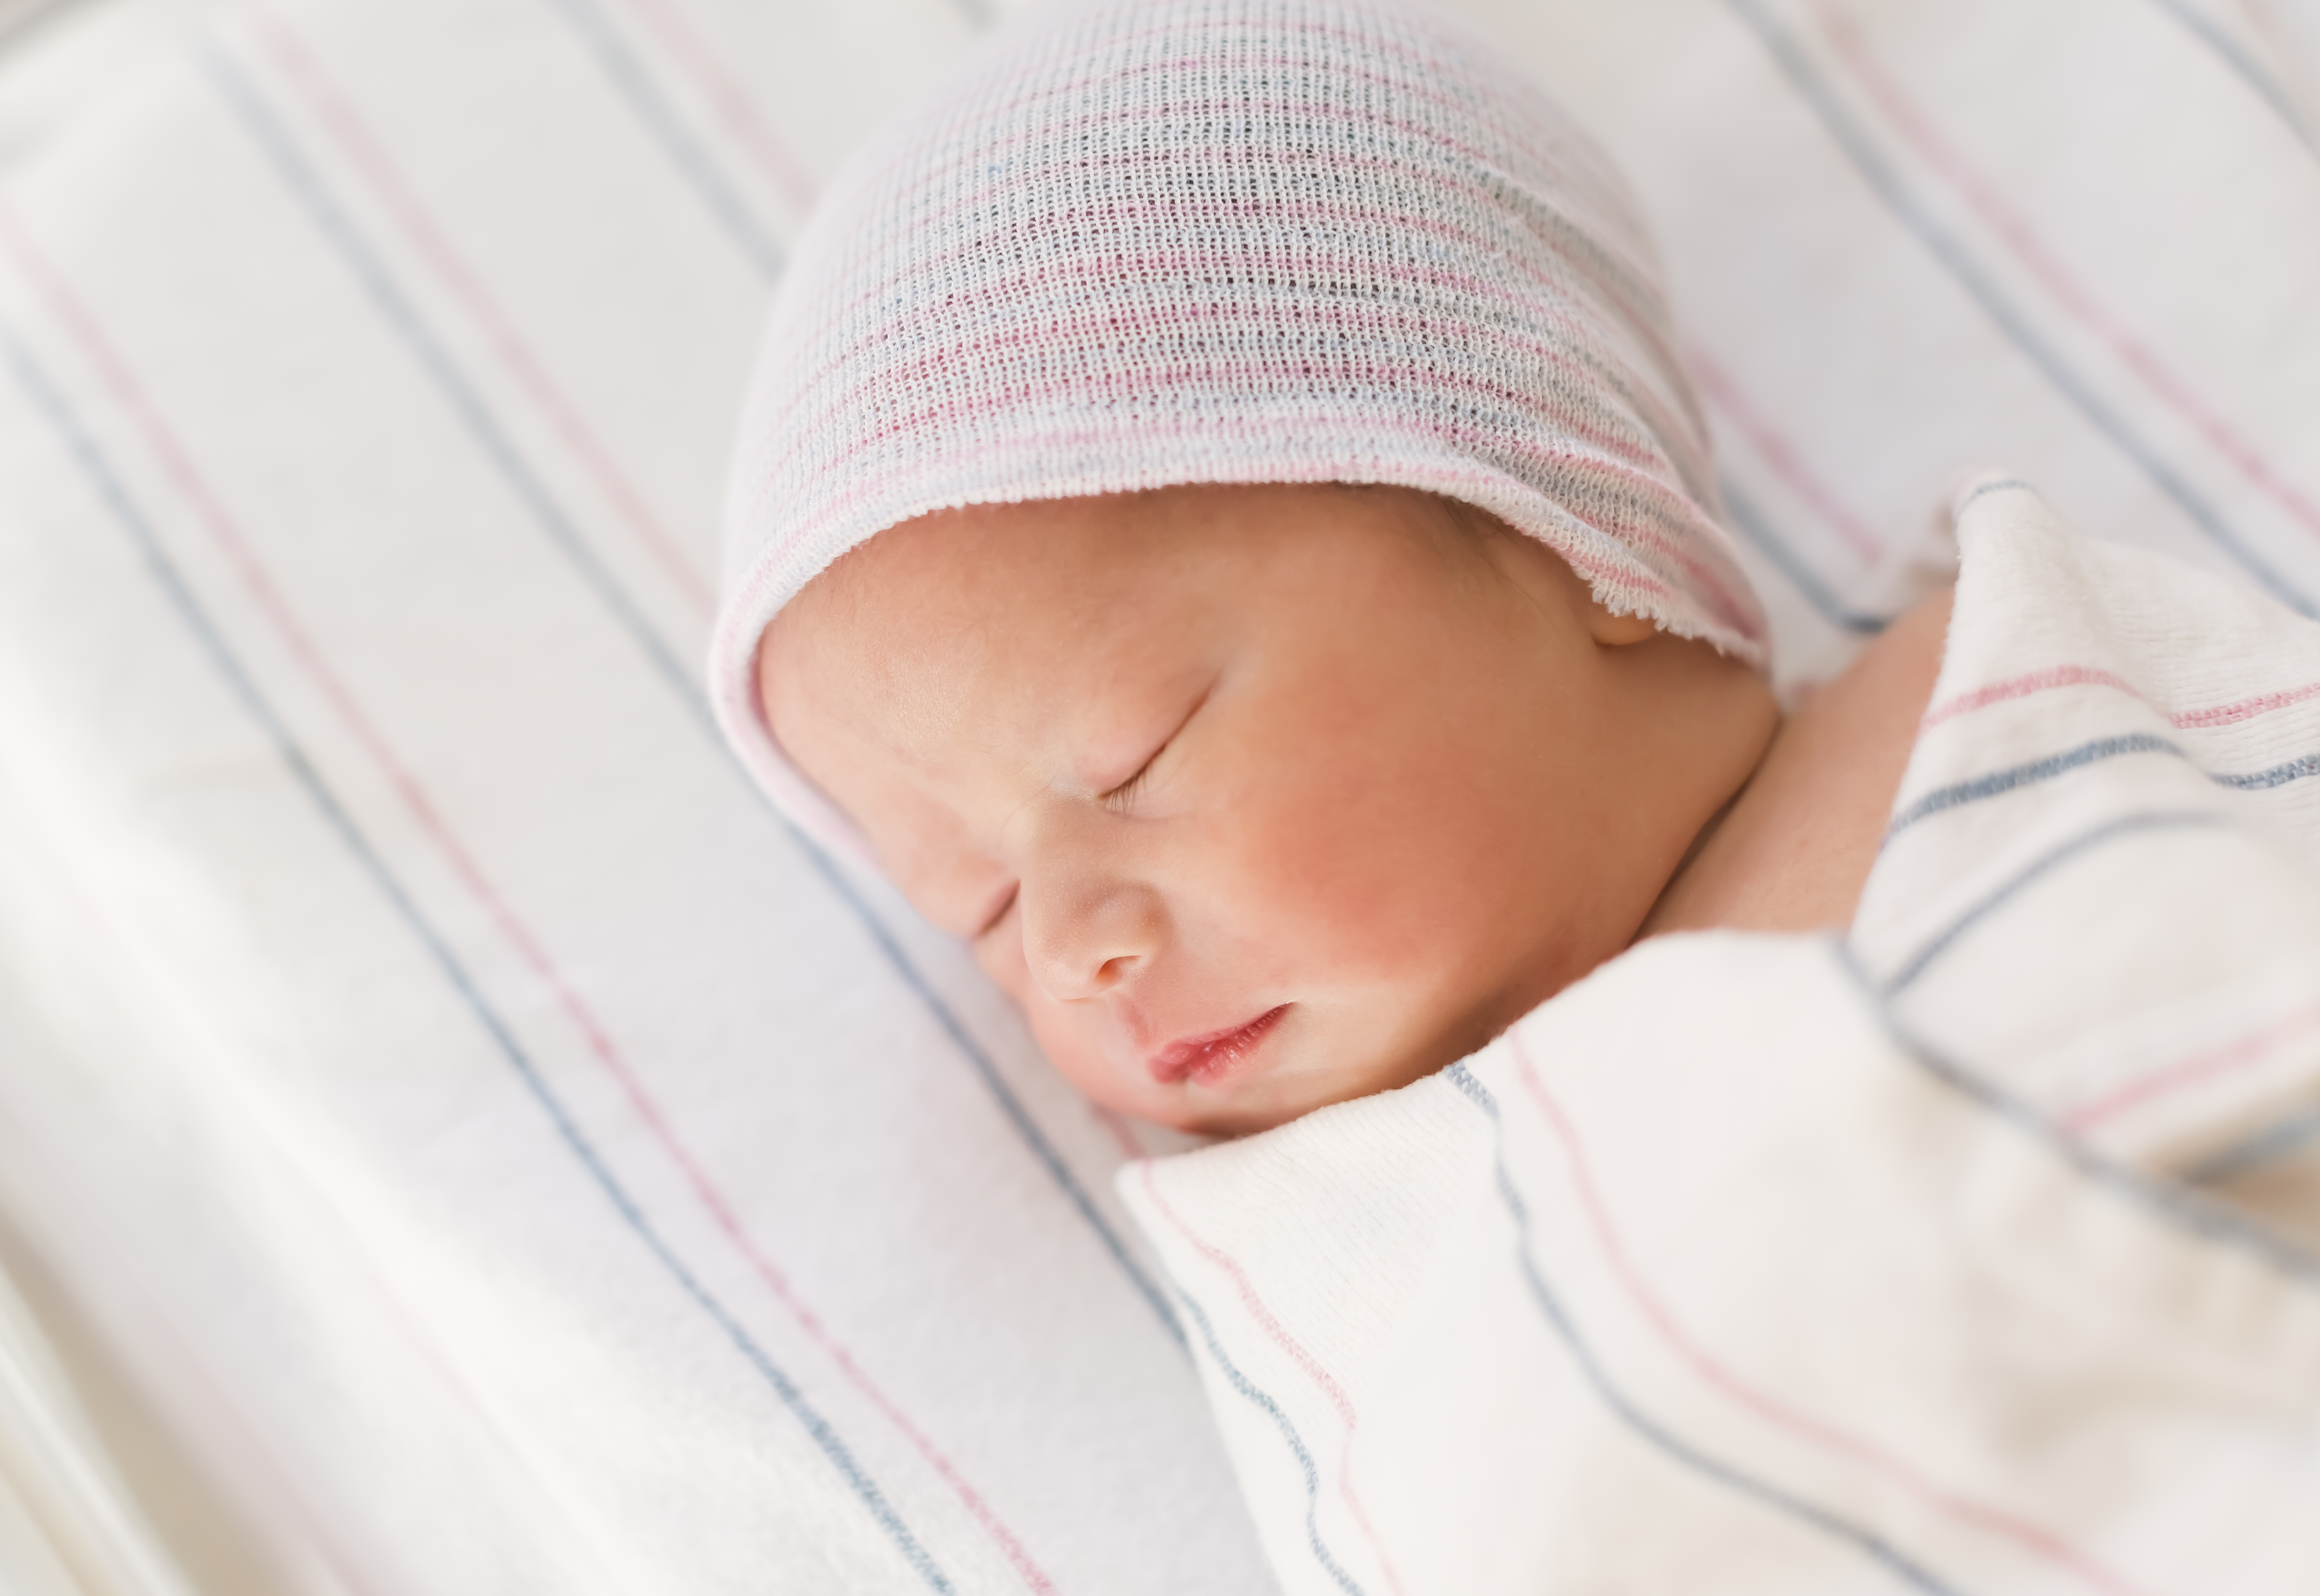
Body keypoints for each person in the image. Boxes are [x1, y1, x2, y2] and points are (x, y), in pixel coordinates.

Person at [710, 0, 1949, 1136]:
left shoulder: (1967, 687)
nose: (1066, 950)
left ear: (1572, 533)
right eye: (977, 905)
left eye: (1137, 756)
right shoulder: (1299, 1242)